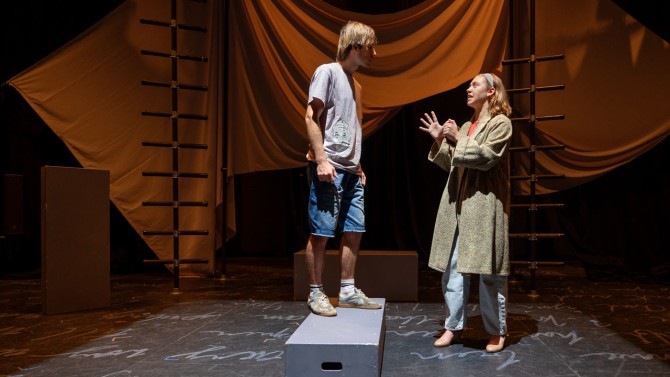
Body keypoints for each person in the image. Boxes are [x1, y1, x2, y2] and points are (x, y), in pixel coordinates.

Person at [419, 73, 513, 352]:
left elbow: (485, 159)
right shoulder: (466, 125)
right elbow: (455, 164)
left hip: (483, 206)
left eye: (475, 84)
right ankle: (453, 326)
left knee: (489, 271)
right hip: (458, 206)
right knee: (453, 270)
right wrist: (441, 142)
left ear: (492, 92)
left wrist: (457, 138)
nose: (468, 89)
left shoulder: (501, 124)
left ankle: (497, 331)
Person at [303, 21, 381, 317]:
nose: (374, 53)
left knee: (354, 230)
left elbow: (351, 126)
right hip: (329, 167)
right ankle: (315, 292)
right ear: (355, 46)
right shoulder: (328, 72)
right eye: (370, 46)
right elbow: (311, 117)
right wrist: (321, 159)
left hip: (350, 171)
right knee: (322, 232)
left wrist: (358, 165)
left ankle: (347, 290)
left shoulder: (356, 85)